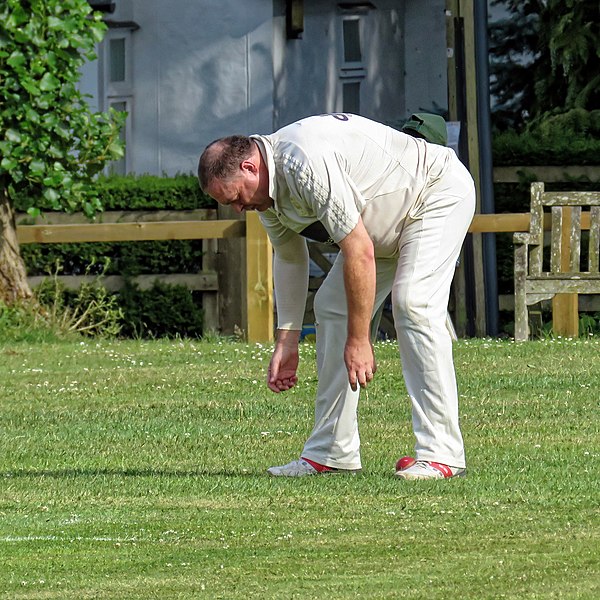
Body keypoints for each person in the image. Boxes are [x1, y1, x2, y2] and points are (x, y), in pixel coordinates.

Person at [198, 113, 475, 480]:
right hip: (383, 229)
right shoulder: (265, 193)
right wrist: (287, 340)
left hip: (435, 194)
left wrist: (359, 340)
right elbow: (290, 257)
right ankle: (331, 452)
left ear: (250, 166)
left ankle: (442, 453)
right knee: (330, 307)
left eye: (235, 198)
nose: (238, 208)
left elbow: (359, 250)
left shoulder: (304, 162)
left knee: (414, 304)